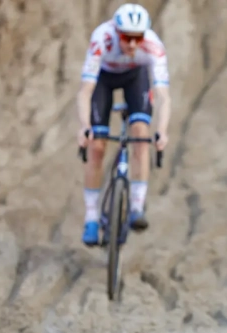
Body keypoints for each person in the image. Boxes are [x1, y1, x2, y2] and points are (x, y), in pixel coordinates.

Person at [75, 3, 171, 246]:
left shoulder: (153, 46)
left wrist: (162, 131)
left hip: (135, 78)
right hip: (103, 80)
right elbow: (85, 91)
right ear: (116, 32)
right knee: (97, 147)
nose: (131, 44)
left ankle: (137, 207)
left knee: (140, 135)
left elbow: (163, 96)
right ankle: (92, 218)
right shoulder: (101, 39)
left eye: (137, 38)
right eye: (126, 38)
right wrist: (84, 126)